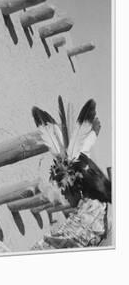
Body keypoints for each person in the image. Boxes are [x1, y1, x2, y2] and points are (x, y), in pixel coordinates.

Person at [30, 97, 111, 249]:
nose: (65, 197)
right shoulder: (97, 205)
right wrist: (92, 134)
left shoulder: (86, 219)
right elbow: (82, 163)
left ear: (78, 189)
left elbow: (46, 248)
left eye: (65, 192)